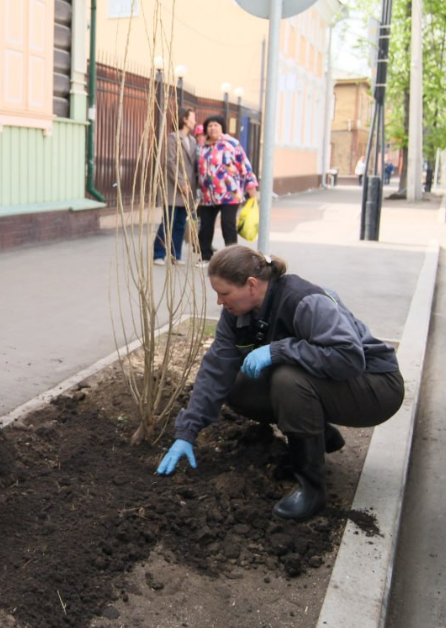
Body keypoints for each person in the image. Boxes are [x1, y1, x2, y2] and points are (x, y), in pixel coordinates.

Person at [156, 245, 405, 521]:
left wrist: (279, 350)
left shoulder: (304, 301)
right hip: (334, 383)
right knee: (238, 385)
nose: (219, 302)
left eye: (224, 293)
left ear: (251, 285)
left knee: (288, 380)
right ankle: (319, 434)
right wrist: (187, 432)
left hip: (375, 387)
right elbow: (216, 369)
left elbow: (348, 358)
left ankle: (312, 489)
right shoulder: (237, 314)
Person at [194, 115, 258, 265]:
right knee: (205, 226)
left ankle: (233, 259)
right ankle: (205, 256)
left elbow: (244, 165)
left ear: (222, 127)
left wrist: (251, 186)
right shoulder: (203, 147)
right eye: (209, 126)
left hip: (229, 194)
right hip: (208, 196)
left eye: (216, 125)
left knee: (227, 224)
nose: (212, 128)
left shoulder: (231, 144)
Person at [153, 108, 198, 266]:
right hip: (174, 189)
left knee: (180, 223)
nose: (195, 121)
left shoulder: (192, 140)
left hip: (187, 190)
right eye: (193, 118)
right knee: (167, 222)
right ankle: (158, 253)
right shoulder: (173, 137)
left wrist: (190, 187)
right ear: (185, 119)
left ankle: (175, 254)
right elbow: (170, 162)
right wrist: (181, 183)